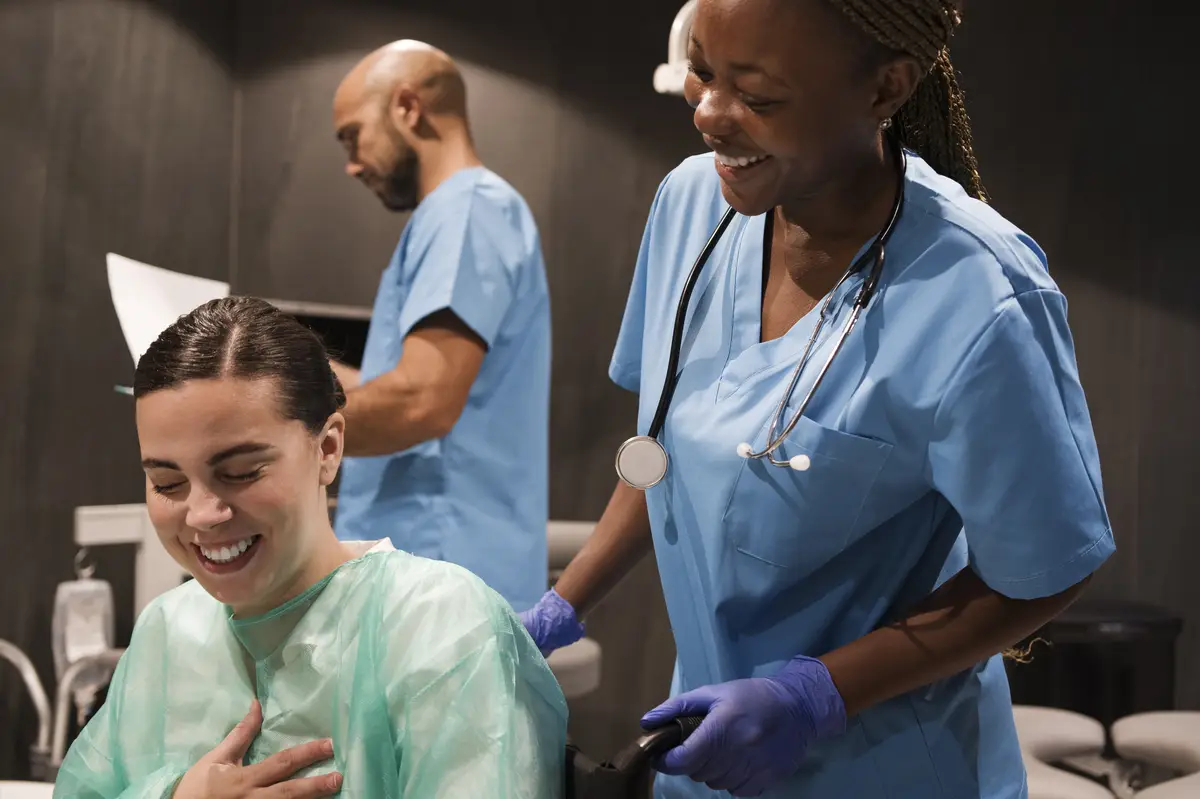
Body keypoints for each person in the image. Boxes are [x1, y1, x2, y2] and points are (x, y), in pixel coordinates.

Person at [521, 1, 1114, 797]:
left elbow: (1044, 572)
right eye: (701, 72)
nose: (708, 114)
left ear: (886, 89)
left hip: (887, 767)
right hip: (708, 751)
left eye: (758, 97)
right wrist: (560, 608)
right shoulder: (691, 208)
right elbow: (665, 450)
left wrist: (815, 694)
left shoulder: (979, 294)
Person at [53, 297, 566, 799]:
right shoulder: (168, 631)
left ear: (328, 448)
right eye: (167, 483)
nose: (202, 514)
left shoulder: (442, 629)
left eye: (240, 473)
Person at [328, 40, 551, 612]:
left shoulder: (468, 210)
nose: (351, 165)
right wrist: (296, 378)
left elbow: (420, 402)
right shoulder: (454, 214)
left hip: (441, 584)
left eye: (353, 136)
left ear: (407, 108)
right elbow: (406, 381)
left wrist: (266, 419)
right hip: (426, 576)